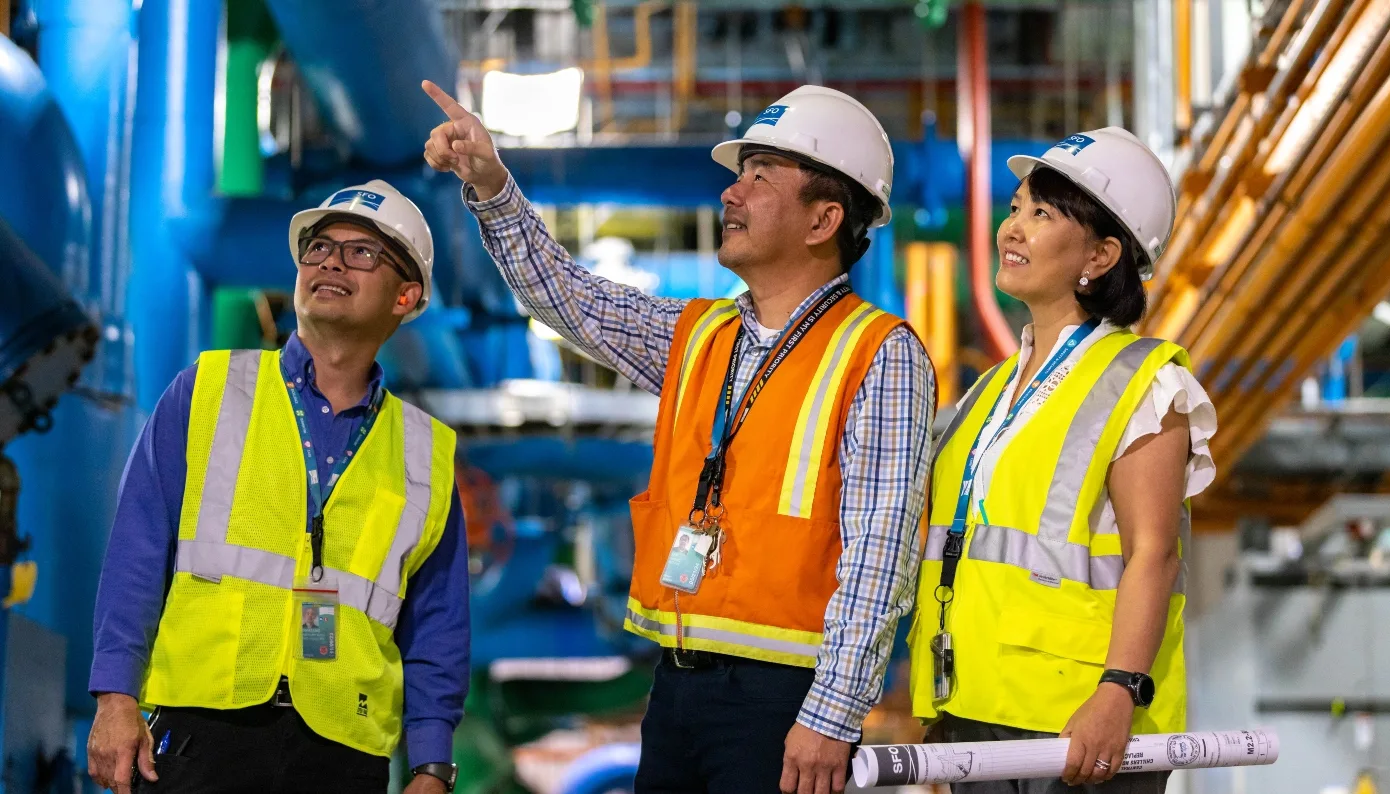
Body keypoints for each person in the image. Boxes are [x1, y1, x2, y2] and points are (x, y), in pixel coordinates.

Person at [422, 80, 936, 794]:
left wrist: (833, 713)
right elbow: (571, 299)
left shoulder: (879, 354)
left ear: (824, 220)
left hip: (787, 699)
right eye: (740, 174)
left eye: (761, 177)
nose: (731, 192)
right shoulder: (701, 334)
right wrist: (491, 185)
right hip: (678, 687)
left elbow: (881, 552)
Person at [85, 180, 471, 794]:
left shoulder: (426, 454)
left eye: (361, 252)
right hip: (200, 732)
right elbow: (137, 549)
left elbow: (438, 625)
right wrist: (115, 695)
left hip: (343, 751)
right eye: (319, 248)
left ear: (406, 296)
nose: (332, 262)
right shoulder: (208, 391)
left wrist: (431, 764)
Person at [907, 128, 1217, 793]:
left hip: (1082, 722)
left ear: (1101, 255)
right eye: (1015, 207)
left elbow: (1154, 555)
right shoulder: (989, 392)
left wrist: (1118, 691)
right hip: (976, 709)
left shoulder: (1143, 381)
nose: (1011, 229)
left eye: (1042, 214)